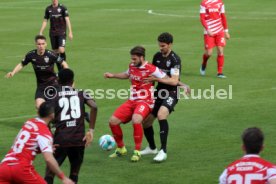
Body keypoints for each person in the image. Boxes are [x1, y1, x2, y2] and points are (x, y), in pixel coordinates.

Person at [103, 46, 175, 162]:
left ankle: (137, 151)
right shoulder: (132, 66)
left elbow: (168, 79)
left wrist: (157, 80)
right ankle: (121, 148)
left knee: (136, 119)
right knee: (113, 121)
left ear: (142, 57)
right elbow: (127, 74)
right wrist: (113, 75)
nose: (132, 61)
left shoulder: (151, 68)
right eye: (132, 59)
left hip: (146, 101)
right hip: (132, 101)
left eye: (135, 59)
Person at [141, 32, 188, 162]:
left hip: (172, 92)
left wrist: (157, 79)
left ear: (170, 44)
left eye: (163, 46)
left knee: (162, 114)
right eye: (159, 45)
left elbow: (173, 81)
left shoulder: (175, 60)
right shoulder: (157, 56)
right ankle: (152, 148)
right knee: (146, 122)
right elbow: (155, 75)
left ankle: (163, 151)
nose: (161, 48)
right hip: (159, 92)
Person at [45, 68, 97, 184]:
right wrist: (91, 130)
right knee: (74, 173)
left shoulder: (54, 96)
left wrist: (49, 138)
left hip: (60, 139)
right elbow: (94, 106)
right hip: (78, 140)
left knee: (50, 172)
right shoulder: (82, 93)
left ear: (58, 81)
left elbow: (47, 118)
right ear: (73, 81)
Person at [0, 102, 74, 184]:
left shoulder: (29, 122)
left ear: (38, 112)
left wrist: (40, 149)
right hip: (21, 168)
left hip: (4, 168)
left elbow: (16, 143)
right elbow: (49, 159)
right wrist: (63, 177)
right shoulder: (44, 132)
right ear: (52, 115)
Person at [5, 35, 69, 109]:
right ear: (36, 44)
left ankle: (56, 118)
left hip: (53, 84)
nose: (41, 46)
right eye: (39, 44)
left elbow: (63, 63)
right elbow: (22, 64)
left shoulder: (51, 54)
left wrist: (67, 75)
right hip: (41, 85)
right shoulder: (31, 55)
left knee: (56, 105)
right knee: (38, 106)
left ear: (46, 44)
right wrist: (13, 72)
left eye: (42, 44)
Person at [199, 0, 230, 78]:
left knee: (220, 51)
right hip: (209, 31)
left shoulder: (220, 2)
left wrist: (226, 31)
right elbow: (202, 18)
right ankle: (204, 63)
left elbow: (223, 16)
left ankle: (220, 72)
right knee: (209, 53)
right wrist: (207, 29)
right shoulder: (204, 3)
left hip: (220, 30)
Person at [39, 0, 73, 71]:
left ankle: (64, 65)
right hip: (52, 33)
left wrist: (70, 31)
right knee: (55, 52)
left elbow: (67, 19)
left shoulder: (63, 8)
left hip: (61, 32)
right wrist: (41, 31)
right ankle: (60, 68)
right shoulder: (48, 9)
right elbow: (45, 20)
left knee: (61, 49)